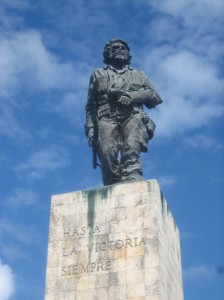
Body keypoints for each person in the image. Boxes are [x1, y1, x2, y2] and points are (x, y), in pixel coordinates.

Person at [85, 39, 162, 186]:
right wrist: (90, 130)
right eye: (114, 48)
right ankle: (112, 181)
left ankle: (133, 178)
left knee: (131, 148)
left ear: (128, 54)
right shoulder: (98, 74)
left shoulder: (139, 75)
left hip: (131, 115)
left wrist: (132, 96)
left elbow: (155, 97)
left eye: (122, 48)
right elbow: (90, 107)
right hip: (106, 117)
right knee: (106, 151)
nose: (119, 49)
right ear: (108, 53)